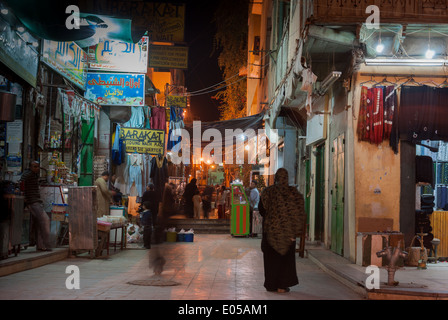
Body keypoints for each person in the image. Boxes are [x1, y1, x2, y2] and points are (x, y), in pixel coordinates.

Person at [258, 168, 305, 293]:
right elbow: (299, 213)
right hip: (286, 233)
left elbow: (262, 210)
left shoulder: (267, 192)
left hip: (270, 233)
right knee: (285, 260)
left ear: (276, 178)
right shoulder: (293, 193)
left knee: (270, 260)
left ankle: (271, 285)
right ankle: (282, 286)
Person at [19, 161, 52, 252]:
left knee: (40, 223)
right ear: (30, 167)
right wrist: (25, 198)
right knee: (45, 220)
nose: (37, 168)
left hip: (35, 201)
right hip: (33, 202)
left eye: (37, 167)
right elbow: (21, 185)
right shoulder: (28, 175)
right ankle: (46, 245)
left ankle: (41, 245)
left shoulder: (33, 175)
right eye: (34, 166)